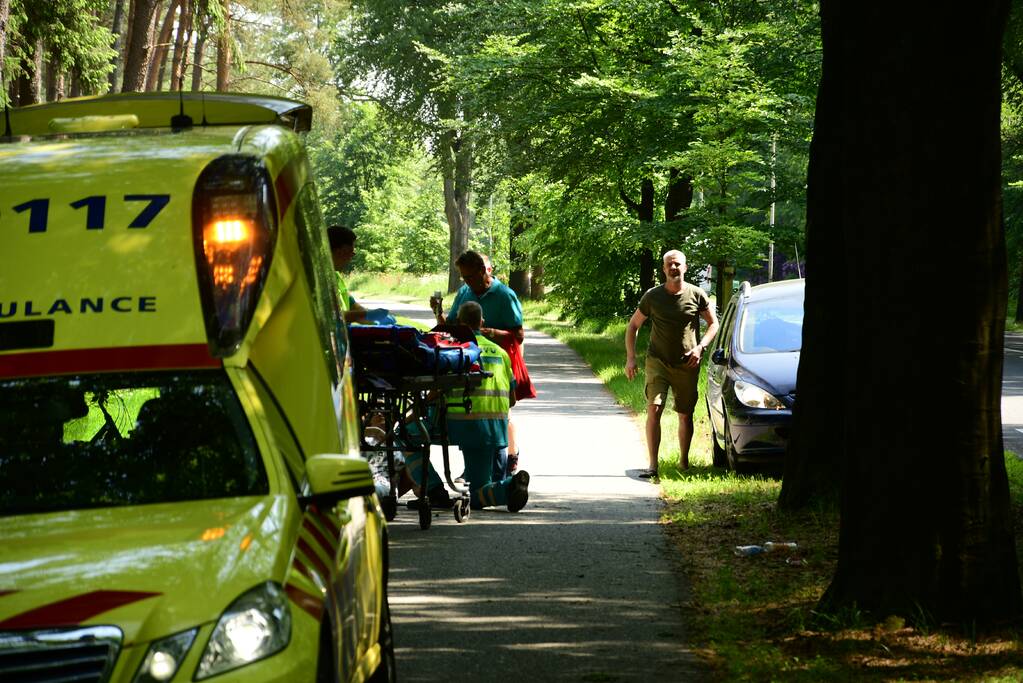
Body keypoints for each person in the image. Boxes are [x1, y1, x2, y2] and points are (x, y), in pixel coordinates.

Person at [430, 250, 535, 471]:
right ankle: (479, 469)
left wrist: (492, 333)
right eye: (463, 278)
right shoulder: (465, 292)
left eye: (470, 277)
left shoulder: (505, 295)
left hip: (498, 362)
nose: (467, 282)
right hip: (470, 363)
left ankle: (508, 460)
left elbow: (519, 335)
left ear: (482, 271)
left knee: (501, 412)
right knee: (478, 415)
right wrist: (438, 311)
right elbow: (450, 326)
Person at [625, 249, 719, 478]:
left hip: (687, 363)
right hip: (657, 361)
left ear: (685, 268)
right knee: (654, 408)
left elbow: (713, 324)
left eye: (677, 264)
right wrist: (630, 357)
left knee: (685, 414)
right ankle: (653, 466)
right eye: (669, 265)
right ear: (664, 269)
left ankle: (684, 463)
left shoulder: (697, 295)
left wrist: (700, 347)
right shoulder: (652, 296)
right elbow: (633, 326)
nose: (673, 268)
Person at [446, 301, 530, 511]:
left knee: (406, 435)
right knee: (480, 486)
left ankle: (434, 491)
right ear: (482, 322)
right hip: (496, 426)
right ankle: (509, 486)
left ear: (459, 322)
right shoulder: (500, 353)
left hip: (463, 423)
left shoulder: (456, 349)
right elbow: (511, 399)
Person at [327, 226, 394, 324]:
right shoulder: (317, 281)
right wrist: (363, 315)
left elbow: (352, 304)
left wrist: (370, 319)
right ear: (340, 251)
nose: (351, 257)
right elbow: (329, 317)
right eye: (351, 252)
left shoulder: (336, 277)